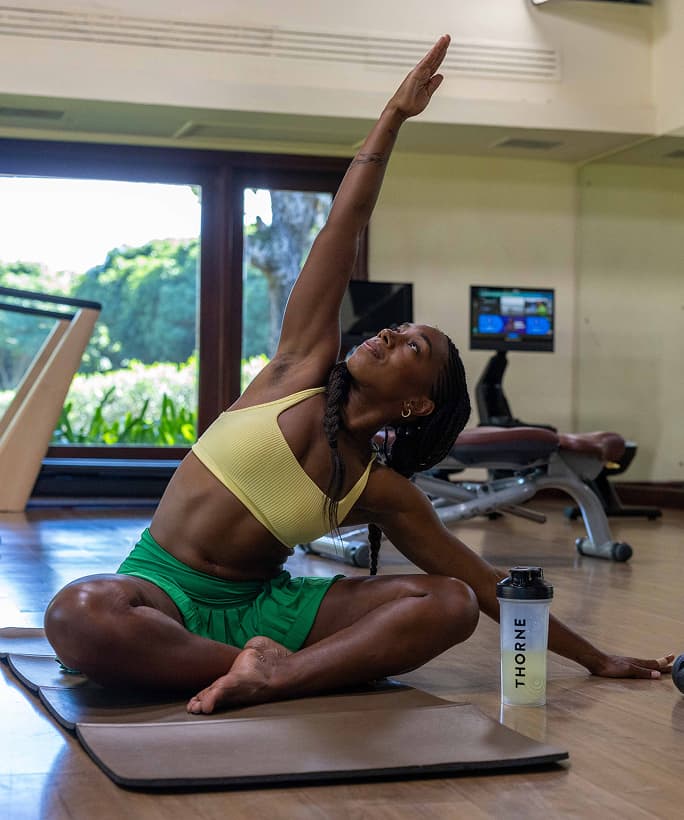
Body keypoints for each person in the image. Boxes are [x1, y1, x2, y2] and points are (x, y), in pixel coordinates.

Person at [45, 35, 673, 715]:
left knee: (447, 603)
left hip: (268, 611)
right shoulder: (296, 371)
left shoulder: (382, 492)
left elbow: (487, 587)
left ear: (416, 406)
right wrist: (393, 116)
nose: (389, 333)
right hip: (162, 593)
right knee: (80, 614)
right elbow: (342, 227)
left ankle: (273, 672)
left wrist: (596, 657)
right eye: (397, 330)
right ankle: (263, 669)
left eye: (412, 348)